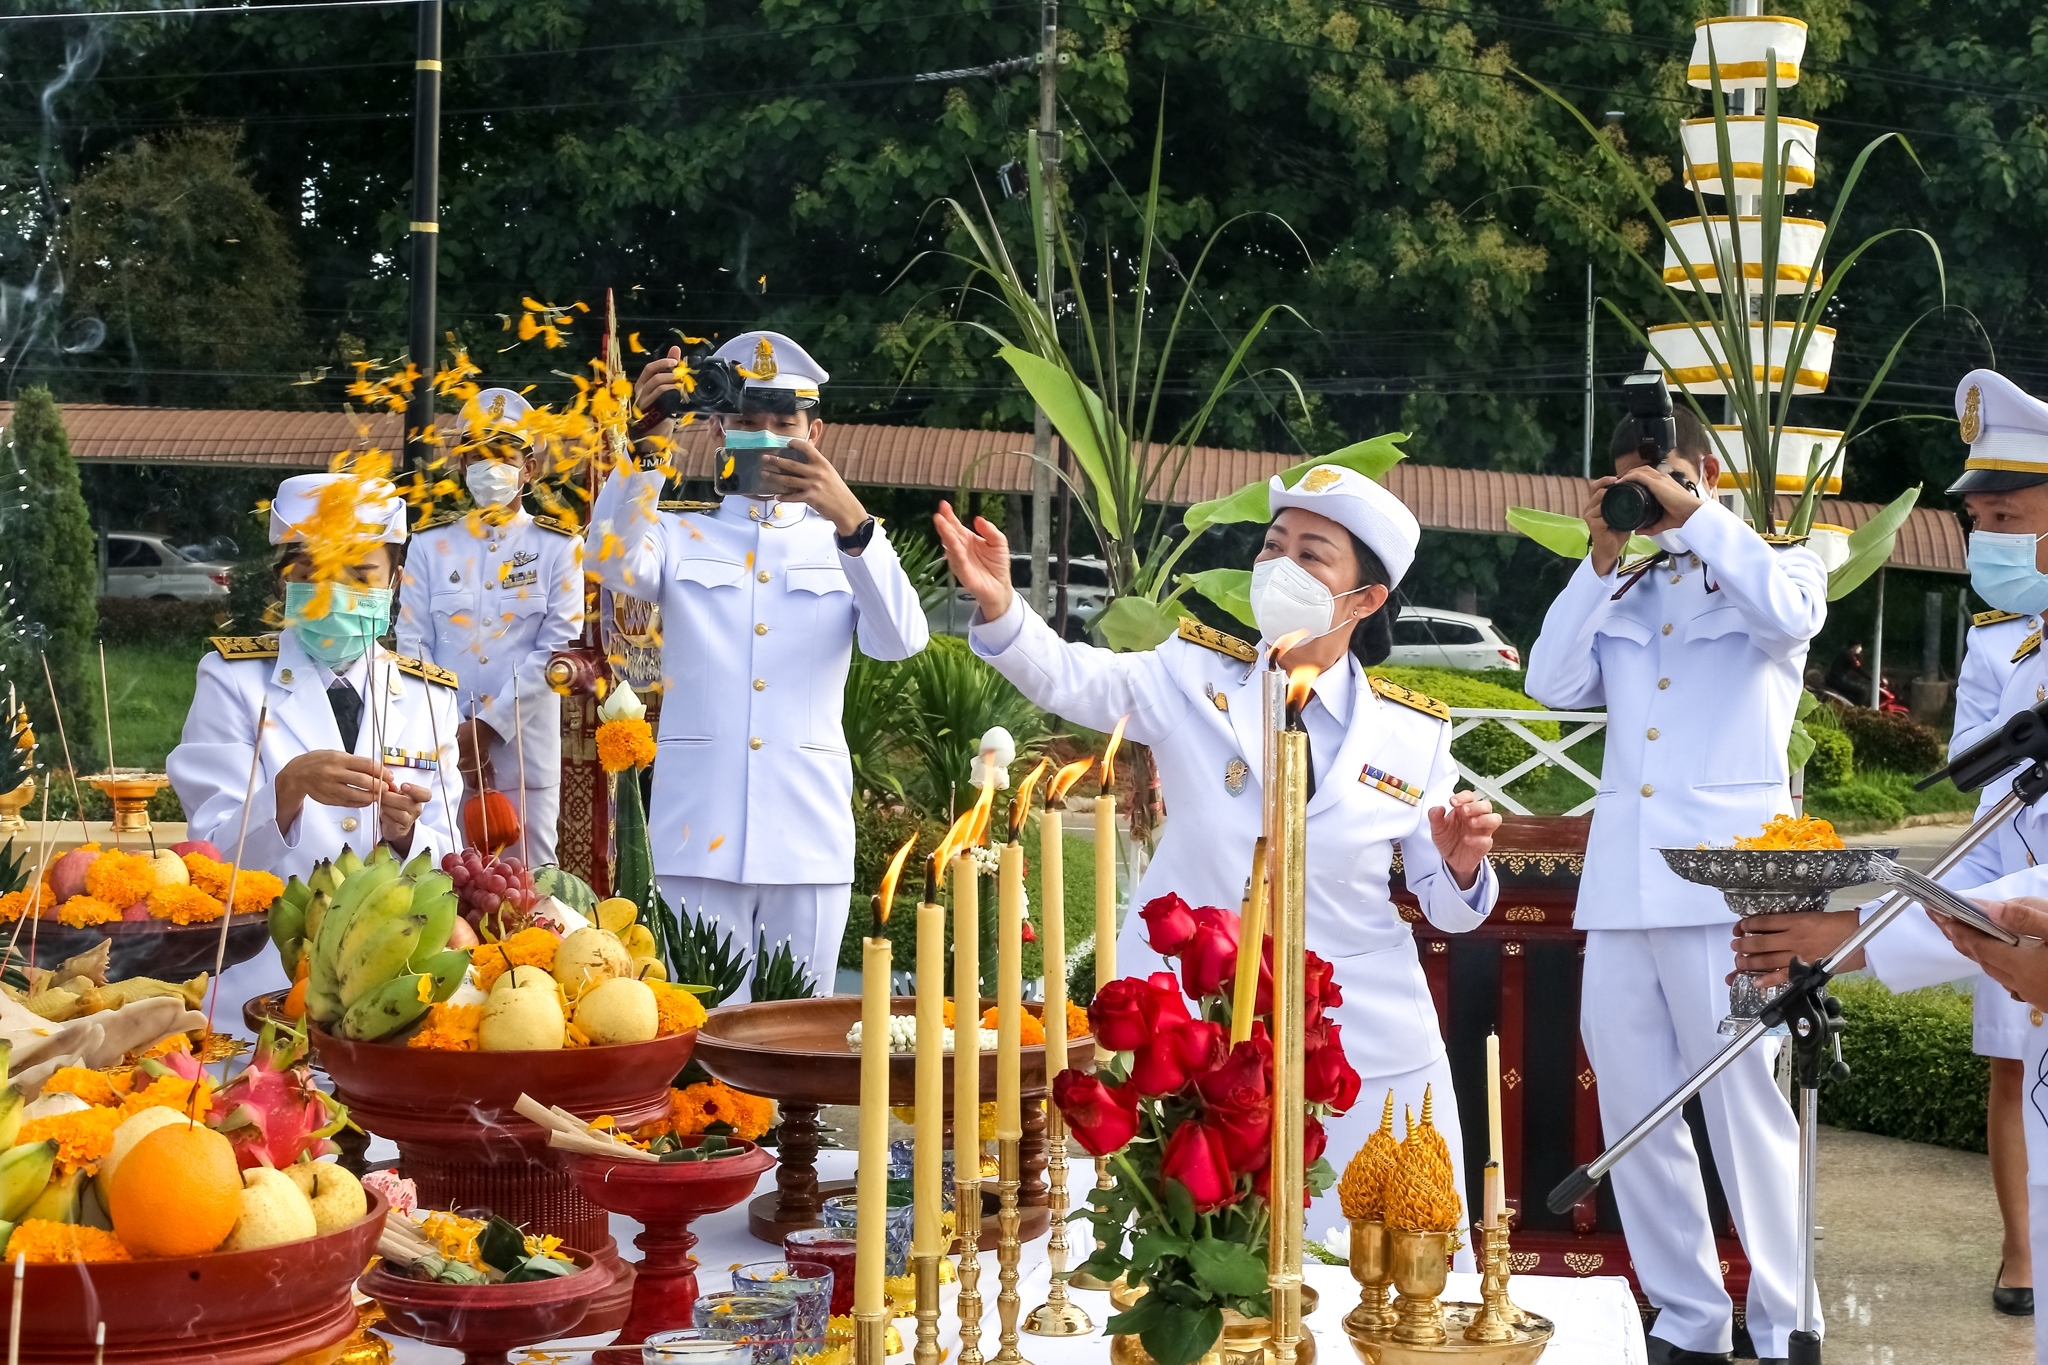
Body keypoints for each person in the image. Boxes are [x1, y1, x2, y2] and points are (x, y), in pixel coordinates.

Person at [933, 463, 1503, 1239]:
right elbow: (1076, 678)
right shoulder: (1193, 674)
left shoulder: (1413, 733)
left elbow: (1448, 907)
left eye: (1311, 554)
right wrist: (1003, 606)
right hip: (1199, 1037)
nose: (1280, 566)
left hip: (1358, 1049)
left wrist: (1461, 863)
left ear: (1366, 599)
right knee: (1195, 1260)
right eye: (1273, 545)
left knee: (1387, 1269)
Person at [1735, 368, 2048, 1320]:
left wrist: (1856, 935)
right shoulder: (2020, 655)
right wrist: (1850, 937)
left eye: (2009, 517)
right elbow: (1992, 851)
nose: (1990, 542)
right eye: (1980, 521)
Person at [1525, 403, 1826, 1365]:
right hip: (1625, 888)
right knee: (1636, 1106)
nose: (1643, 497)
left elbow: (1791, 616)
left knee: (1743, 1106)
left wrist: (1696, 517)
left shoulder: (1781, 567)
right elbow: (1548, 681)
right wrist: (1601, 554)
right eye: (1629, 482)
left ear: (1704, 474)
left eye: (1655, 479)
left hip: (1728, 894)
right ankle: (1687, 1316)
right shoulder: (1628, 588)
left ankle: (1786, 1324)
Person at [589, 330, 929, 999]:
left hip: (806, 840)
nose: (765, 436)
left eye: (784, 422)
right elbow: (608, 557)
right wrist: (648, 443)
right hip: (697, 834)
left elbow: (900, 639)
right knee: (706, 1034)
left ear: (815, 432)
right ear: (719, 430)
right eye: (746, 420)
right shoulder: (681, 532)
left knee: (795, 1034)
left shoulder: (846, 542)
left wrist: (852, 521)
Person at [168, 471, 466, 1029]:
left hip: (389, 987)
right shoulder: (233, 680)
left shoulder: (429, 695)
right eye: (314, 574)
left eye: (360, 574)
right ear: (285, 580)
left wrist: (407, 835)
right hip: (259, 982)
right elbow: (209, 859)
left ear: (396, 579)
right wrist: (285, 791)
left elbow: (450, 859)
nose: (336, 593)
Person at [397, 386, 584, 867]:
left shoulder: (559, 547)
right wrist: (452, 726)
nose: (489, 466)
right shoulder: (430, 544)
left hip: (523, 755)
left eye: (504, 455)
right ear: (461, 465)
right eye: (477, 455)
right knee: (439, 881)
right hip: (439, 749)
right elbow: (412, 643)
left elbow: (555, 651)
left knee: (528, 885)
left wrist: (488, 726)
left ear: (529, 468)